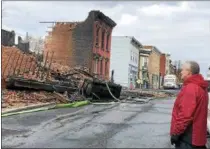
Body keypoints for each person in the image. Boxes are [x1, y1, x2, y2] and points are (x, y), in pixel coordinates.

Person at [170, 61, 209, 149]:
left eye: (183, 70)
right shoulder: (200, 87)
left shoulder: (191, 88)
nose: (181, 72)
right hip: (197, 137)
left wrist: (176, 133)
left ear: (189, 72)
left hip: (187, 138)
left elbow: (185, 115)